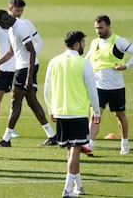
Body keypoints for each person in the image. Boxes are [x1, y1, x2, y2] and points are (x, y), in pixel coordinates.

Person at [0, 10, 56, 147]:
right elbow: (11, 52)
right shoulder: (11, 29)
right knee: (32, 102)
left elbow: (32, 52)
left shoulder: (20, 28)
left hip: (24, 69)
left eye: (1, 25)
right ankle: (52, 136)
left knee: (15, 102)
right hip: (23, 67)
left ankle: (6, 139)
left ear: (5, 19)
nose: (2, 28)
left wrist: (29, 76)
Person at [0, 0, 44, 139]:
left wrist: (28, 61)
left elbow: (37, 44)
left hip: (19, 69)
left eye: (21, 10)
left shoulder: (24, 25)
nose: (19, 13)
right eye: (17, 10)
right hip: (3, 68)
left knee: (19, 101)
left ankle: (10, 132)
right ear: (10, 9)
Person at [44, 31, 100, 197]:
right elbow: (92, 90)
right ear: (77, 44)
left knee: (71, 149)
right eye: (83, 42)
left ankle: (79, 186)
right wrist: (96, 111)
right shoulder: (83, 63)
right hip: (77, 113)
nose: (84, 45)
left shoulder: (54, 62)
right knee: (75, 150)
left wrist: (51, 110)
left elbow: (47, 89)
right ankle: (67, 189)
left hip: (60, 112)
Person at [82, 14, 133, 156]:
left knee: (120, 116)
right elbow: (86, 60)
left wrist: (126, 66)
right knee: (95, 115)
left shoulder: (119, 41)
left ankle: (124, 143)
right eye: (96, 28)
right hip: (98, 87)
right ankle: (90, 145)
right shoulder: (94, 43)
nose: (98, 31)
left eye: (101, 28)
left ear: (108, 27)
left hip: (116, 87)